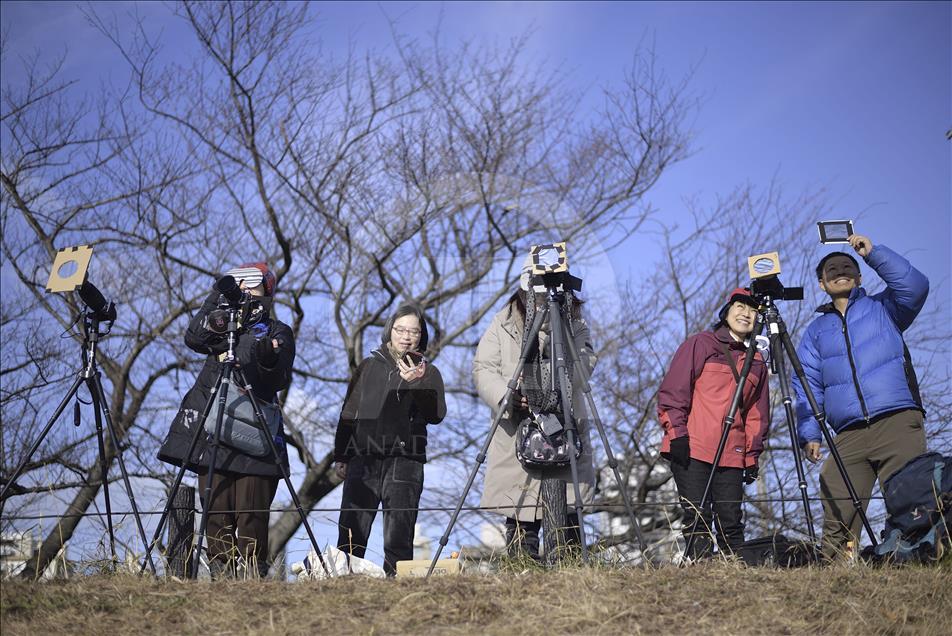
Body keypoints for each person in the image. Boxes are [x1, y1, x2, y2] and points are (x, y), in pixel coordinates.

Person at [793, 234, 929, 558]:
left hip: (896, 419)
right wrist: (810, 432)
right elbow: (807, 384)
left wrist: (873, 253)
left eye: (846, 267)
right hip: (849, 433)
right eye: (831, 269)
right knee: (836, 495)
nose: (839, 271)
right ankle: (835, 569)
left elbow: (916, 287)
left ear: (859, 278)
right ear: (822, 284)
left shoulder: (885, 308)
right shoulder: (814, 332)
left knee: (909, 498)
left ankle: (911, 561)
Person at [158, 262, 294, 578]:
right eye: (240, 283)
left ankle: (253, 579)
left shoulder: (275, 330)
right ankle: (222, 580)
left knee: (251, 517)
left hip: (255, 434)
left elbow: (278, 377)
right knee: (216, 514)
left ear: (267, 292)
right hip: (212, 430)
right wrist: (218, 293)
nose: (245, 289)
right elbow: (193, 336)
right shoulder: (222, 324)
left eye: (253, 284)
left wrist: (266, 353)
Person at [473, 258, 596, 559]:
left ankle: (569, 573)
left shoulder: (573, 321)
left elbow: (584, 368)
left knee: (567, 514)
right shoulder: (503, 321)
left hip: (565, 425)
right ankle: (521, 572)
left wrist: (558, 332)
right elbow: (483, 368)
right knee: (521, 512)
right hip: (517, 427)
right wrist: (509, 395)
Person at [333, 303, 446, 576]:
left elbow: (436, 414)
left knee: (399, 536)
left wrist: (415, 384)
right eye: (400, 330)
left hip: (406, 461)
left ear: (421, 336)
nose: (406, 336)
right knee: (351, 532)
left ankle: (396, 589)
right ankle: (342, 586)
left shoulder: (428, 372)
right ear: (389, 332)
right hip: (364, 459)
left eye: (414, 332)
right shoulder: (369, 367)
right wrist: (341, 455)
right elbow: (349, 414)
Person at [657, 288, 770, 559]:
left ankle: (735, 574)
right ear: (726, 312)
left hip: (733, 453)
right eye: (740, 307)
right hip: (692, 447)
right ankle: (701, 572)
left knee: (731, 520)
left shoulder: (757, 361)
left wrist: (752, 455)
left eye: (754, 310)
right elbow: (674, 391)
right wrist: (677, 435)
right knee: (697, 517)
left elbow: (757, 413)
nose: (746, 314)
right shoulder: (701, 344)